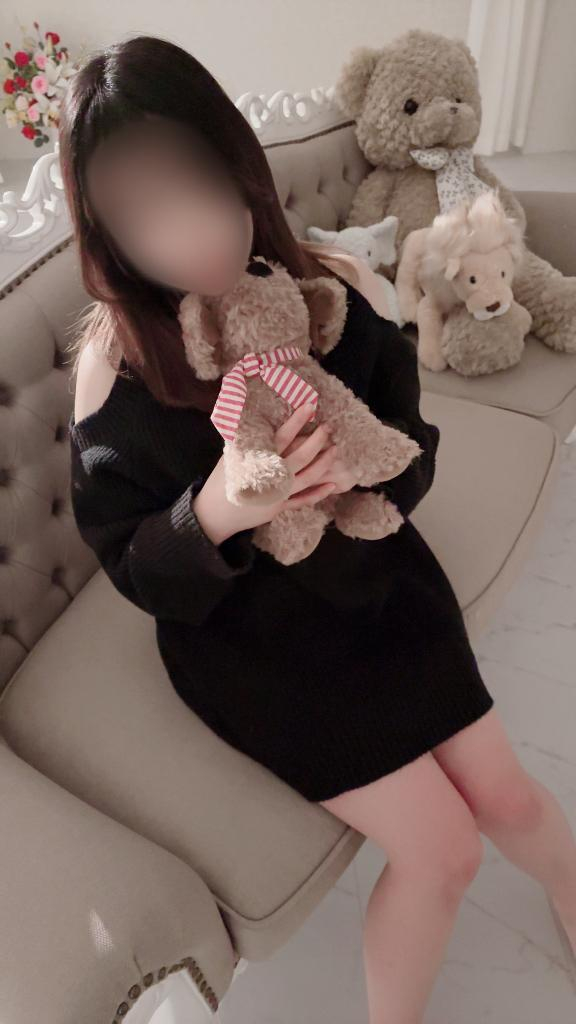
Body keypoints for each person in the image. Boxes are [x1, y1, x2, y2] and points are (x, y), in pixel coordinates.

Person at [62, 33, 576, 1024]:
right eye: (143, 214)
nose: (188, 231)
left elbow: (413, 449)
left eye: (201, 185)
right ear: (108, 236)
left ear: (238, 166)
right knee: (445, 852)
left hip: (379, 586)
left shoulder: (329, 292)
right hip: (256, 647)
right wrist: (219, 508)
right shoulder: (114, 368)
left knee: (509, 797)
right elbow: (134, 564)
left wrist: (363, 465)